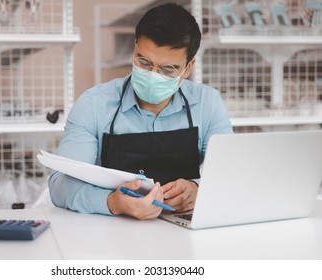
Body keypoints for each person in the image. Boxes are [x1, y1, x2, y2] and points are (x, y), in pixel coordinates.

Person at [48, 3, 233, 220]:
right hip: (110, 235)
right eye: (144, 62)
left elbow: (230, 175)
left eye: (167, 69)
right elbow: (60, 184)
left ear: (188, 67)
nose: (153, 75)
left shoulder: (207, 104)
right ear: (134, 47)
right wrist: (112, 202)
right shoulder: (93, 105)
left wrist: (197, 189)